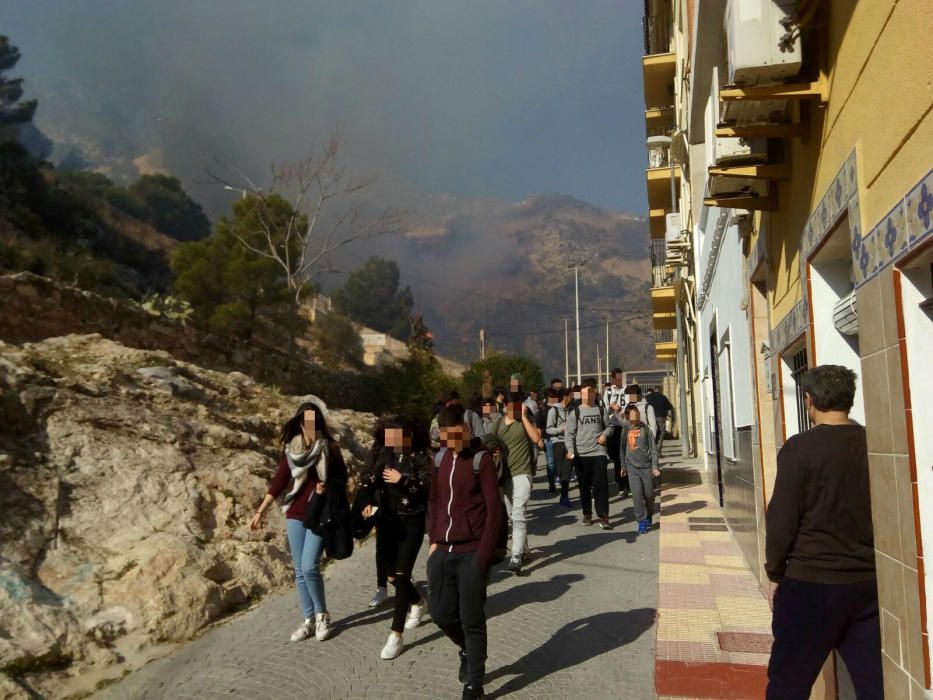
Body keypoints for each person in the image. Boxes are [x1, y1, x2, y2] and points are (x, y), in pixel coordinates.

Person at [764, 365, 880, 699]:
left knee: (789, 683)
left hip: (809, 584)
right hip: (866, 583)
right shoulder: (872, 444)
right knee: (874, 683)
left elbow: (782, 519)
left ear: (809, 400)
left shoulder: (799, 448)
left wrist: (775, 572)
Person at [428, 404, 505, 700]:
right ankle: (466, 651)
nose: (452, 443)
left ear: (466, 430)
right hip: (442, 551)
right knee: (440, 613)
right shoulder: (439, 460)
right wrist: (433, 539)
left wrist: (483, 557)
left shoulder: (481, 460)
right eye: (446, 437)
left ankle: (475, 680)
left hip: (473, 551)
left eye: (456, 435)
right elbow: (434, 501)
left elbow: (494, 510)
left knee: (471, 617)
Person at [249, 401, 344, 642]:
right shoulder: (292, 450)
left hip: (320, 513)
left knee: (310, 565)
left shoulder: (330, 448)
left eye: (315, 423)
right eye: (306, 423)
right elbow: (280, 481)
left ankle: (323, 616)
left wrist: (327, 487)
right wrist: (260, 511)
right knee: (300, 570)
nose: (310, 427)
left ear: (319, 424)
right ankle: (308, 619)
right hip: (295, 512)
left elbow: (342, 479)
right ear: (300, 424)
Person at [357, 416, 432, 660]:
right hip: (389, 521)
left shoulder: (420, 456)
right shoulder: (386, 455)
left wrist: (404, 480)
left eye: (396, 436)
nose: (391, 441)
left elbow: (428, 489)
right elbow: (370, 478)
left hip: (412, 521)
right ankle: (418, 601)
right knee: (391, 576)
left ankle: (395, 635)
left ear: (407, 436)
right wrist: (367, 500)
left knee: (401, 574)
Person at [483, 390, 542, 573]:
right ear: (506, 406)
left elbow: (537, 439)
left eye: (519, 405)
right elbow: (488, 443)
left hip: (522, 473)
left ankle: (515, 556)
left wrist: (524, 417)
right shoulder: (498, 423)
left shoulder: (524, 421)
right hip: (504, 475)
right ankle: (523, 549)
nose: (515, 408)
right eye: (513, 405)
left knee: (518, 513)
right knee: (512, 515)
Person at [565, 384, 613, 529]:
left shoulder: (600, 410)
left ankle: (603, 516)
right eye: (583, 394)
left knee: (601, 486)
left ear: (594, 394)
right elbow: (569, 434)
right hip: (581, 455)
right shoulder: (576, 412)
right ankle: (587, 513)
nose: (586, 396)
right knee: (584, 487)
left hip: (598, 452)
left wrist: (605, 435)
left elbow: (610, 427)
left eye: (589, 393)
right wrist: (570, 450)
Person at [617, 405, 660, 534]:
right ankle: (641, 521)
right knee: (637, 496)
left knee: (649, 495)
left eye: (637, 414)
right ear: (627, 417)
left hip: (646, 468)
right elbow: (622, 449)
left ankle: (648, 515)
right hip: (632, 468)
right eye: (632, 415)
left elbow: (653, 450)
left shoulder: (646, 430)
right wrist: (623, 466)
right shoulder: (625, 430)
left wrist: (655, 466)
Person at [546, 388, 574, 507]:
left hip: (570, 444)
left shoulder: (572, 410)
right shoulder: (553, 411)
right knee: (560, 471)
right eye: (570, 396)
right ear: (565, 397)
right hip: (557, 443)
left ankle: (564, 496)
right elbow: (548, 429)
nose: (572, 398)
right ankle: (563, 492)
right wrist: (560, 429)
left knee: (567, 470)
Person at [604, 369, 629, 496]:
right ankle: (621, 484)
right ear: (613, 379)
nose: (619, 381)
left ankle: (629, 483)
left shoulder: (628, 390)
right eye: (617, 378)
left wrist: (621, 410)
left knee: (628, 455)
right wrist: (611, 408)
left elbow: (632, 406)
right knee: (618, 458)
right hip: (614, 427)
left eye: (621, 378)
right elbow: (605, 409)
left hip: (626, 426)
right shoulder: (608, 392)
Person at [541, 388, 559, 493]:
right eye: (551, 397)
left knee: (559, 462)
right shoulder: (544, 409)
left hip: (560, 438)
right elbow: (541, 425)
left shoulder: (560, 407)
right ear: (547, 397)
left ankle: (560, 479)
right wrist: (540, 438)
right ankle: (552, 484)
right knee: (551, 462)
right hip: (548, 439)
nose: (553, 399)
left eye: (554, 396)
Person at [645, 387, 674, 454]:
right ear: (661, 391)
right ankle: (657, 451)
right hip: (661, 418)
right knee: (660, 434)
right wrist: (669, 417)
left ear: (654, 390)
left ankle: (650, 449)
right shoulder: (663, 397)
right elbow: (669, 408)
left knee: (650, 433)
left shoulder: (648, 397)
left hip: (650, 418)